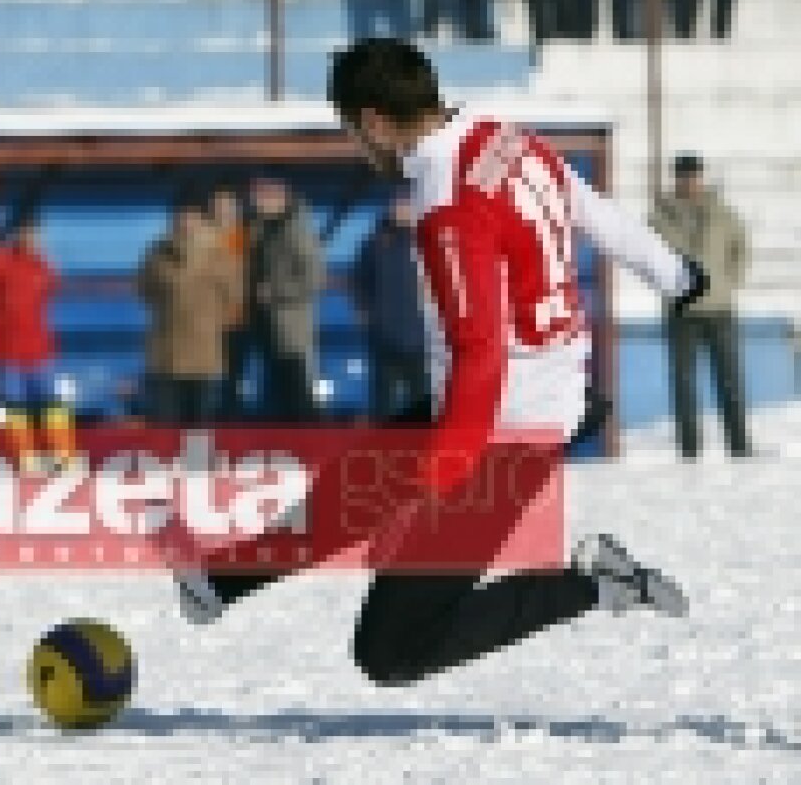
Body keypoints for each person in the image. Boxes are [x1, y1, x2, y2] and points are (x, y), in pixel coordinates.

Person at [168, 39, 710, 688]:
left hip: (505, 430)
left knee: (391, 651)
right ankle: (216, 582)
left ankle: (591, 585)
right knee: (347, 498)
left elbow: (479, 348)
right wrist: (676, 273)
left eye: (350, 133)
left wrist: (443, 476)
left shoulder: (445, 200)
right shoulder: (501, 136)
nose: (357, 148)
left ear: (373, 121)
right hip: (508, 395)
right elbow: (591, 208)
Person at [650, 154, 750, 460]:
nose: (688, 181)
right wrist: (669, 287)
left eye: (693, 176)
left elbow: (740, 249)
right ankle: (689, 450)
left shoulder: (723, 214)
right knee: (684, 384)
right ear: (675, 178)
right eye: (683, 176)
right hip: (681, 311)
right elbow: (648, 257)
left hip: (719, 308)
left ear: (701, 177)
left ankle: (738, 446)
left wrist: (728, 282)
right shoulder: (659, 217)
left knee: (730, 380)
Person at [0, 213, 74, 474]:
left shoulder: (44, 267)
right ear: (16, 236)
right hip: (6, 353)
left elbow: (51, 291)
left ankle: (62, 455)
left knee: (54, 403)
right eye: (26, 233)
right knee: (11, 406)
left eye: (36, 234)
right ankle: (22, 456)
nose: (32, 239)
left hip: (41, 351)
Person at [138, 189, 242, 425]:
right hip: (165, 355)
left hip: (203, 355)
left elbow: (234, 296)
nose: (186, 222)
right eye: (181, 216)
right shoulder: (157, 252)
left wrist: (208, 322)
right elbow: (144, 290)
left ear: (203, 219)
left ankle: (196, 463)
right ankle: (168, 463)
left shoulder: (220, 254)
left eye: (192, 216)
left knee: (200, 428)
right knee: (165, 428)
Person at [245, 175, 324, 421]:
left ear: (281, 197)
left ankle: (311, 452)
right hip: (266, 328)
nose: (255, 203)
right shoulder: (260, 229)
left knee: (299, 397)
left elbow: (314, 278)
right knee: (277, 397)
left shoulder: (298, 230)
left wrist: (275, 290)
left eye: (261, 197)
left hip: (291, 332)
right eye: (254, 197)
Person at [350, 188, 431, 424]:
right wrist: (364, 313)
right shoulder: (374, 243)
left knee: (420, 396)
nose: (401, 210)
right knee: (383, 399)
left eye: (406, 205)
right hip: (383, 334)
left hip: (420, 336)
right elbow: (360, 281)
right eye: (397, 205)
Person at [210, 183, 252, 419]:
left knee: (233, 378)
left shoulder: (247, 238)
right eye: (219, 207)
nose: (224, 211)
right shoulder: (204, 238)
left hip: (239, 321)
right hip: (209, 323)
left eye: (228, 206)